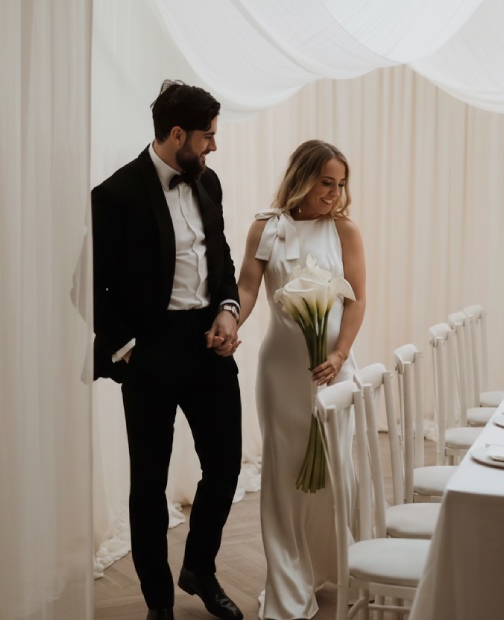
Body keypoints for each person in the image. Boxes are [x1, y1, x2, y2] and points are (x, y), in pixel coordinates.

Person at [91, 80, 244, 620]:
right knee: (148, 487)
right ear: (177, 133)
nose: (214, 147)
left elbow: (221, 258)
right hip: (150, 354)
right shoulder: (115, 194)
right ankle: (159, 603)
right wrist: (130, 350)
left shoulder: (210, 184)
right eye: (207, 137)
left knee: (226, 466)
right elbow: (87, 284)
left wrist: (228, 308)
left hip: (210, 347)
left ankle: (200, 567)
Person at [237, 140, 366, 619]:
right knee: (284, 474)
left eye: (340, 184)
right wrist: (232, 322)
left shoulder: (344, 231)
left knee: (335, 472)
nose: (333, 194)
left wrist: (339, 353)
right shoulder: (268, 227)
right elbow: (248, 288)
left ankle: (335, 564)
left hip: (334, 372)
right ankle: (290, 585)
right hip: (282, 373)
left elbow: (357, 299)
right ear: (302, 177)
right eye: (325, 182)